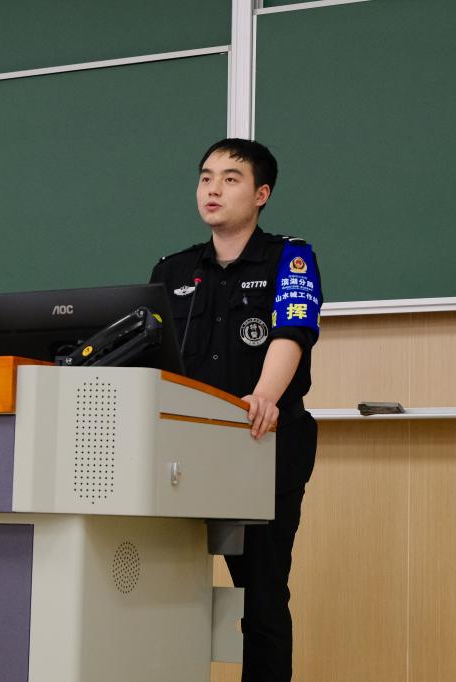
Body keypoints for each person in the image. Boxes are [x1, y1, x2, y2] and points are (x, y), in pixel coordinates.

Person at [149, 138, 321, 681]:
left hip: (260, 444)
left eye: (230, 179)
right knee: (159, 588)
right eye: (205, 178)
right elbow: (148, 356)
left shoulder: (290, 257)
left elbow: (293, 330)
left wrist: (264, 394)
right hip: (184, 452)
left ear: (261, 194)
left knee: (260, 598)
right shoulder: (172, 270)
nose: (213, 189)